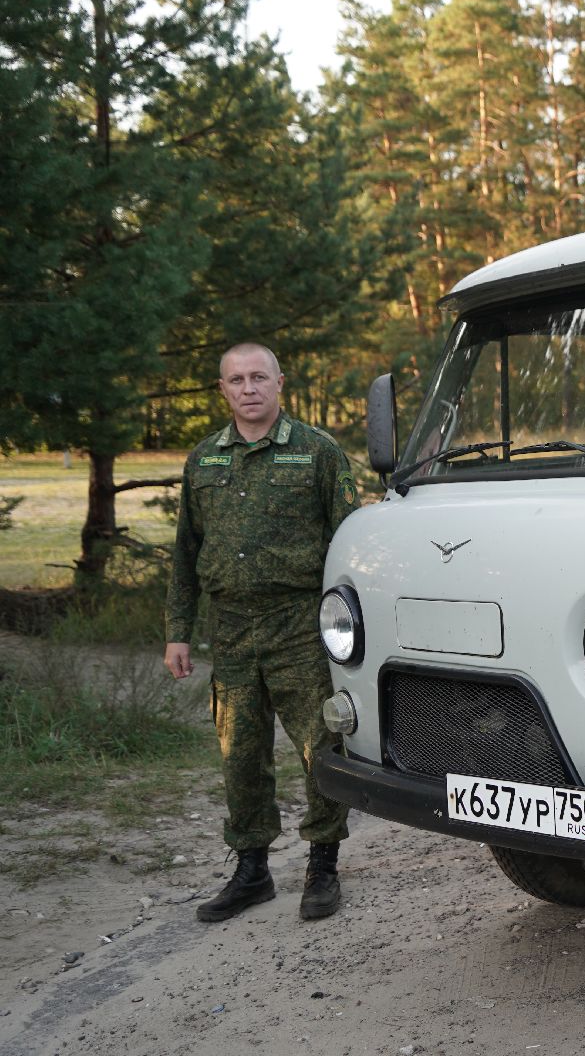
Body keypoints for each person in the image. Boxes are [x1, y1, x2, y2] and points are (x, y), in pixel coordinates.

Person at [164, 343, 360, 922]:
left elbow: (350, 545)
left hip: (299, 625)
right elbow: (185, 552)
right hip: (230, 630)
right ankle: (251, 871)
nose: (247, 388)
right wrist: (178, 631)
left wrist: (350, 626)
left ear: (280, 383)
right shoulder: (203, 461)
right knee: (239, 755)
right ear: (222, 390)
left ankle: (323, 864)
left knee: (318, 748)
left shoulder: (318, 453)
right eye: (235, 380)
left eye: (258, 377)